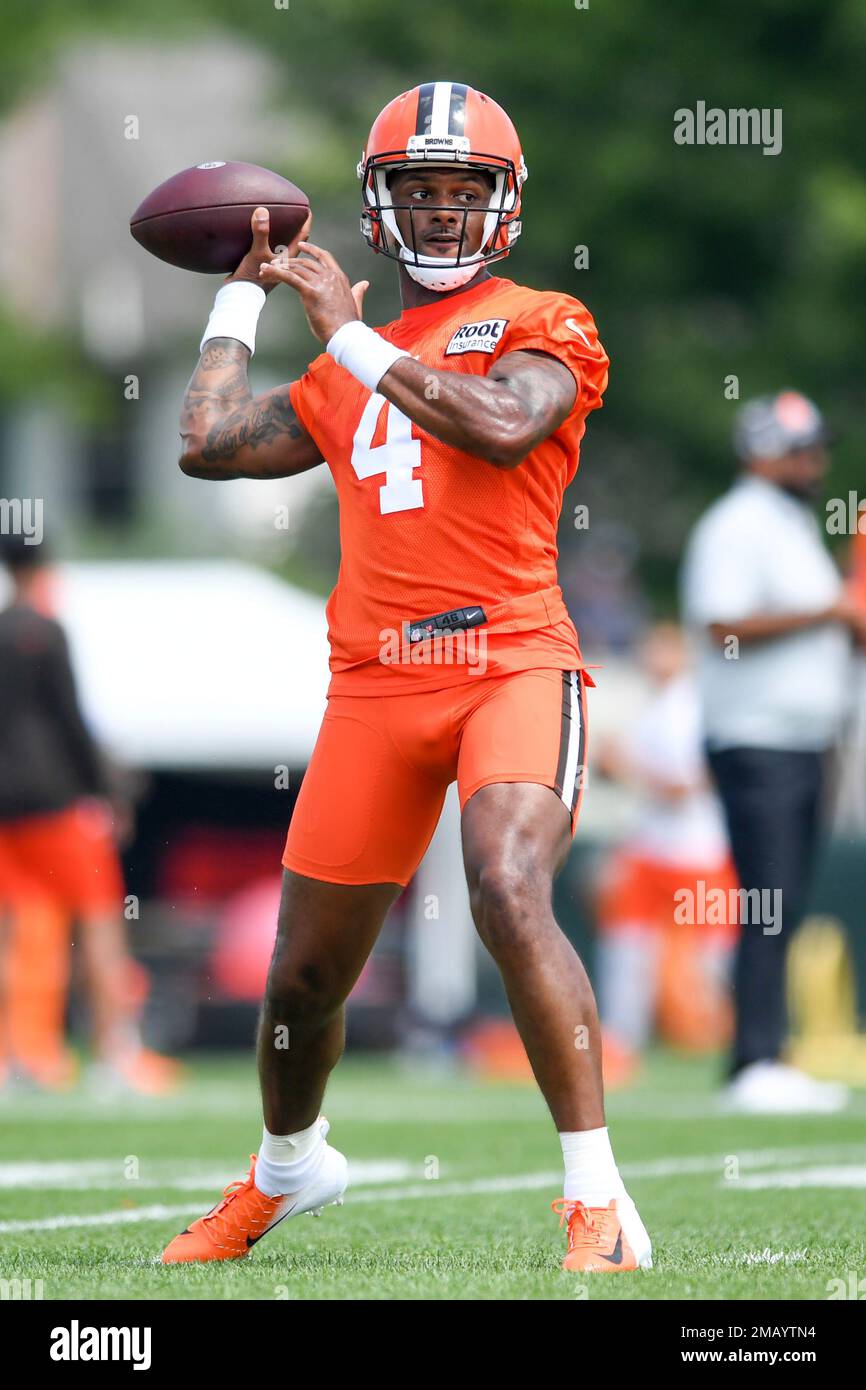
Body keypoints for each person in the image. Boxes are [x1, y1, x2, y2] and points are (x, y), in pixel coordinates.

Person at [163, 82, 652, 1273]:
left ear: (503, 203)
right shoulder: (342, 371)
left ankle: (597, 1197)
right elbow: (202, 440)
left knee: (504, 881)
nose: (440, 213)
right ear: (383, 206)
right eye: (419, 192)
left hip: (509, 658)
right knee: (303, 975)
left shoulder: (548, 318)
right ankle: (287, 1170)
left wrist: (348, 334)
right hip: (375, 681)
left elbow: (494, 424)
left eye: (462, 190)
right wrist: (239, 283)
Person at [681, 390, 866, 1112]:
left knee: (781, 902)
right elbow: (720, 625)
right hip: (757, 739)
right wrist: (831, 611)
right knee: (766, 899)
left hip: (800, 737)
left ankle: (766, 1053)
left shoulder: (787, 526)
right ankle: (753, 1057)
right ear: (763, 452)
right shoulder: (737, 525)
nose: (817, 460)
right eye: (803, 448)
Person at [0, 533, 178, 1094]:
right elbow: (71, 721)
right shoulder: (45, 631)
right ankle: (114, 1051)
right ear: (44, 568)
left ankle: (21, 1052)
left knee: (20, 931)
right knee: (101, 925)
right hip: (56, 804)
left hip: (7, 810)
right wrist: (108, 792)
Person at [594, 623, 738, 1080]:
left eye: (663, 647)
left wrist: (626, 767)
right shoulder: (653, 706)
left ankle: (719, 1034)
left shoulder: (691, 707)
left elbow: (679, 787)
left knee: (709, 958)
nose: (652, 656)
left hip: (695, 850)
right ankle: (619, 1039)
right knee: (626, 943)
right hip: (651, 848)